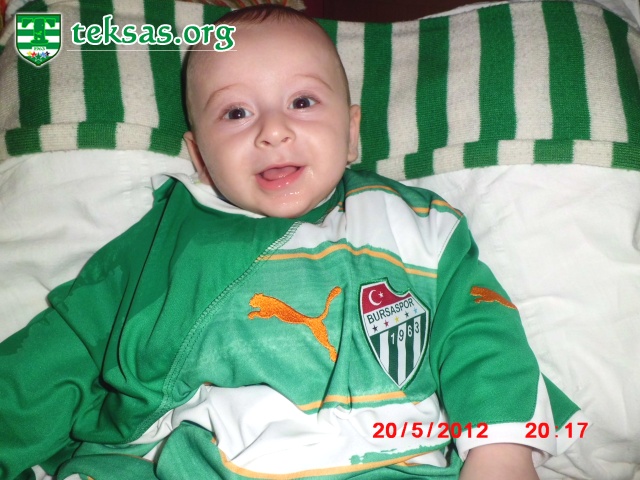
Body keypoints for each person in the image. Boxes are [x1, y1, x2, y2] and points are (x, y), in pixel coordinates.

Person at [0, 5, 585, 480]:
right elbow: (60, 352)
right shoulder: (166, 241)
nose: (273, 130)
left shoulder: (421, 225)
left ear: (351, 132)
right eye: (236, 112)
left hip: (389, 459)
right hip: (195, 459)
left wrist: (501, 449)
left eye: (302, 102)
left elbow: (482, 332)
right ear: (199, 155)